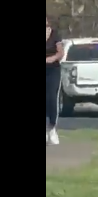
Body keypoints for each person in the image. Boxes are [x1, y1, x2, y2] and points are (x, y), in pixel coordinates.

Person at [46, 15, 64, 145]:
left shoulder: (55, 35)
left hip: (52, 70)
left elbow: (60, 52)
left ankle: (52, 128)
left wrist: (52, 58)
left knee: (51, 97)